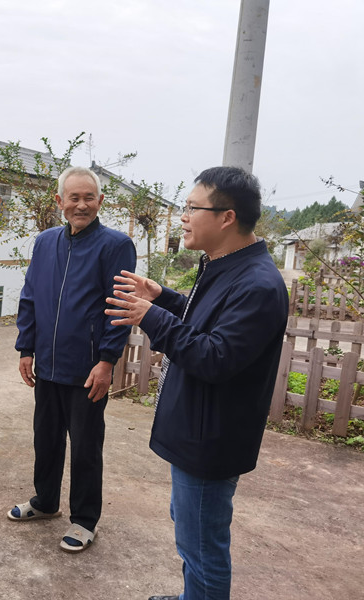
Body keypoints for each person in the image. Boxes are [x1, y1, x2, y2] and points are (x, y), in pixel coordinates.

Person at [105, 166, 289, 600]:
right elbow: (207, 320)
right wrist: (164, 298)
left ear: (227, 217)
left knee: (202, 546)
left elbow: (215, 356)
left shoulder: (258, 284)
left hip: (212, 440)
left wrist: (152, 317)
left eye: (192, 208)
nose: (183, 218)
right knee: (190, 531)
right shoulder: (227, 267)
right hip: (197, 429)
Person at [10, 166, 136, 552]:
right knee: (46, 438)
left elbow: (120, 308)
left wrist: (107, 360)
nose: (81, 205)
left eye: (88, 198)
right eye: (73, 197)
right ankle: (45, 502)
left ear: (100, 201)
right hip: (47, 364)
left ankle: (84, 519)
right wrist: (26, 348)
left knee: (85, 445)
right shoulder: (45, 242)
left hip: (87, 368)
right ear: (59, 201)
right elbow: (30, 296)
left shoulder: (116, 245)